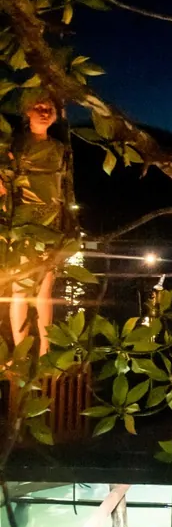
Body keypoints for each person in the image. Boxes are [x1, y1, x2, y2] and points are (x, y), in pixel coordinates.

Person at [2, 92, 72, 352]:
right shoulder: (16, 145)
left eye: (49, 108)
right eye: (38, 107)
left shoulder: (60, 148)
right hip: (25, 221)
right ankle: (20, 350)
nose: (44, 111)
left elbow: (62, 188)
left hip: (51, 222)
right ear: (27, 112)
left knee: (44, 290)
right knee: (20, 289)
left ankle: (45, 350)